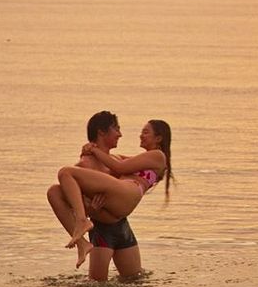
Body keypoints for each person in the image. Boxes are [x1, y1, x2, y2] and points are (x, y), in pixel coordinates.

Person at [58, 120, 173, 273]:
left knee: (65, 172)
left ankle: (81, 222)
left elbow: (119, 166)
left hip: (129, 191)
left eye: (146, 132)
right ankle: (82, 240)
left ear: (158, 138)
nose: (141, 135)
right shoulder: (140, 159)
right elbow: (116, 160)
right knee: (54, 191)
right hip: (118, 213)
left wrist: (94, 150)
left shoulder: (158, 156)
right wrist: (92, 150)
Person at [48, 111, 130, 274]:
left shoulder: (117, 160)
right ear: (101, 132)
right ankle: (83, 243)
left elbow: (148, 162)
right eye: (116, 129)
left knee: (134, 281)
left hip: (123, 227)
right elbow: (67, 200)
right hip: (102, 231)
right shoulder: (84, 165)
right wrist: (89, 210)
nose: (120, 134)